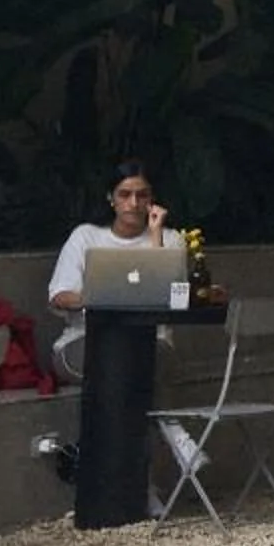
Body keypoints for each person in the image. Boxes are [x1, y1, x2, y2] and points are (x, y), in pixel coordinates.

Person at [45, 160, 205, 485]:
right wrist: (99, 296)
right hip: (83, 344)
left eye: (142, 195)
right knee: (127, 369)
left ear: (152, 198)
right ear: (111, 198)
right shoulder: (86, 237)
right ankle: (173, 434)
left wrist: (156, 234)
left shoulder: (170, 239)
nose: (134, 204)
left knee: (130, 371)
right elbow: (59, 296)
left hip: (151, 347)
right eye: (125, 194)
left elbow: (168, 295)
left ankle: (137, 488)